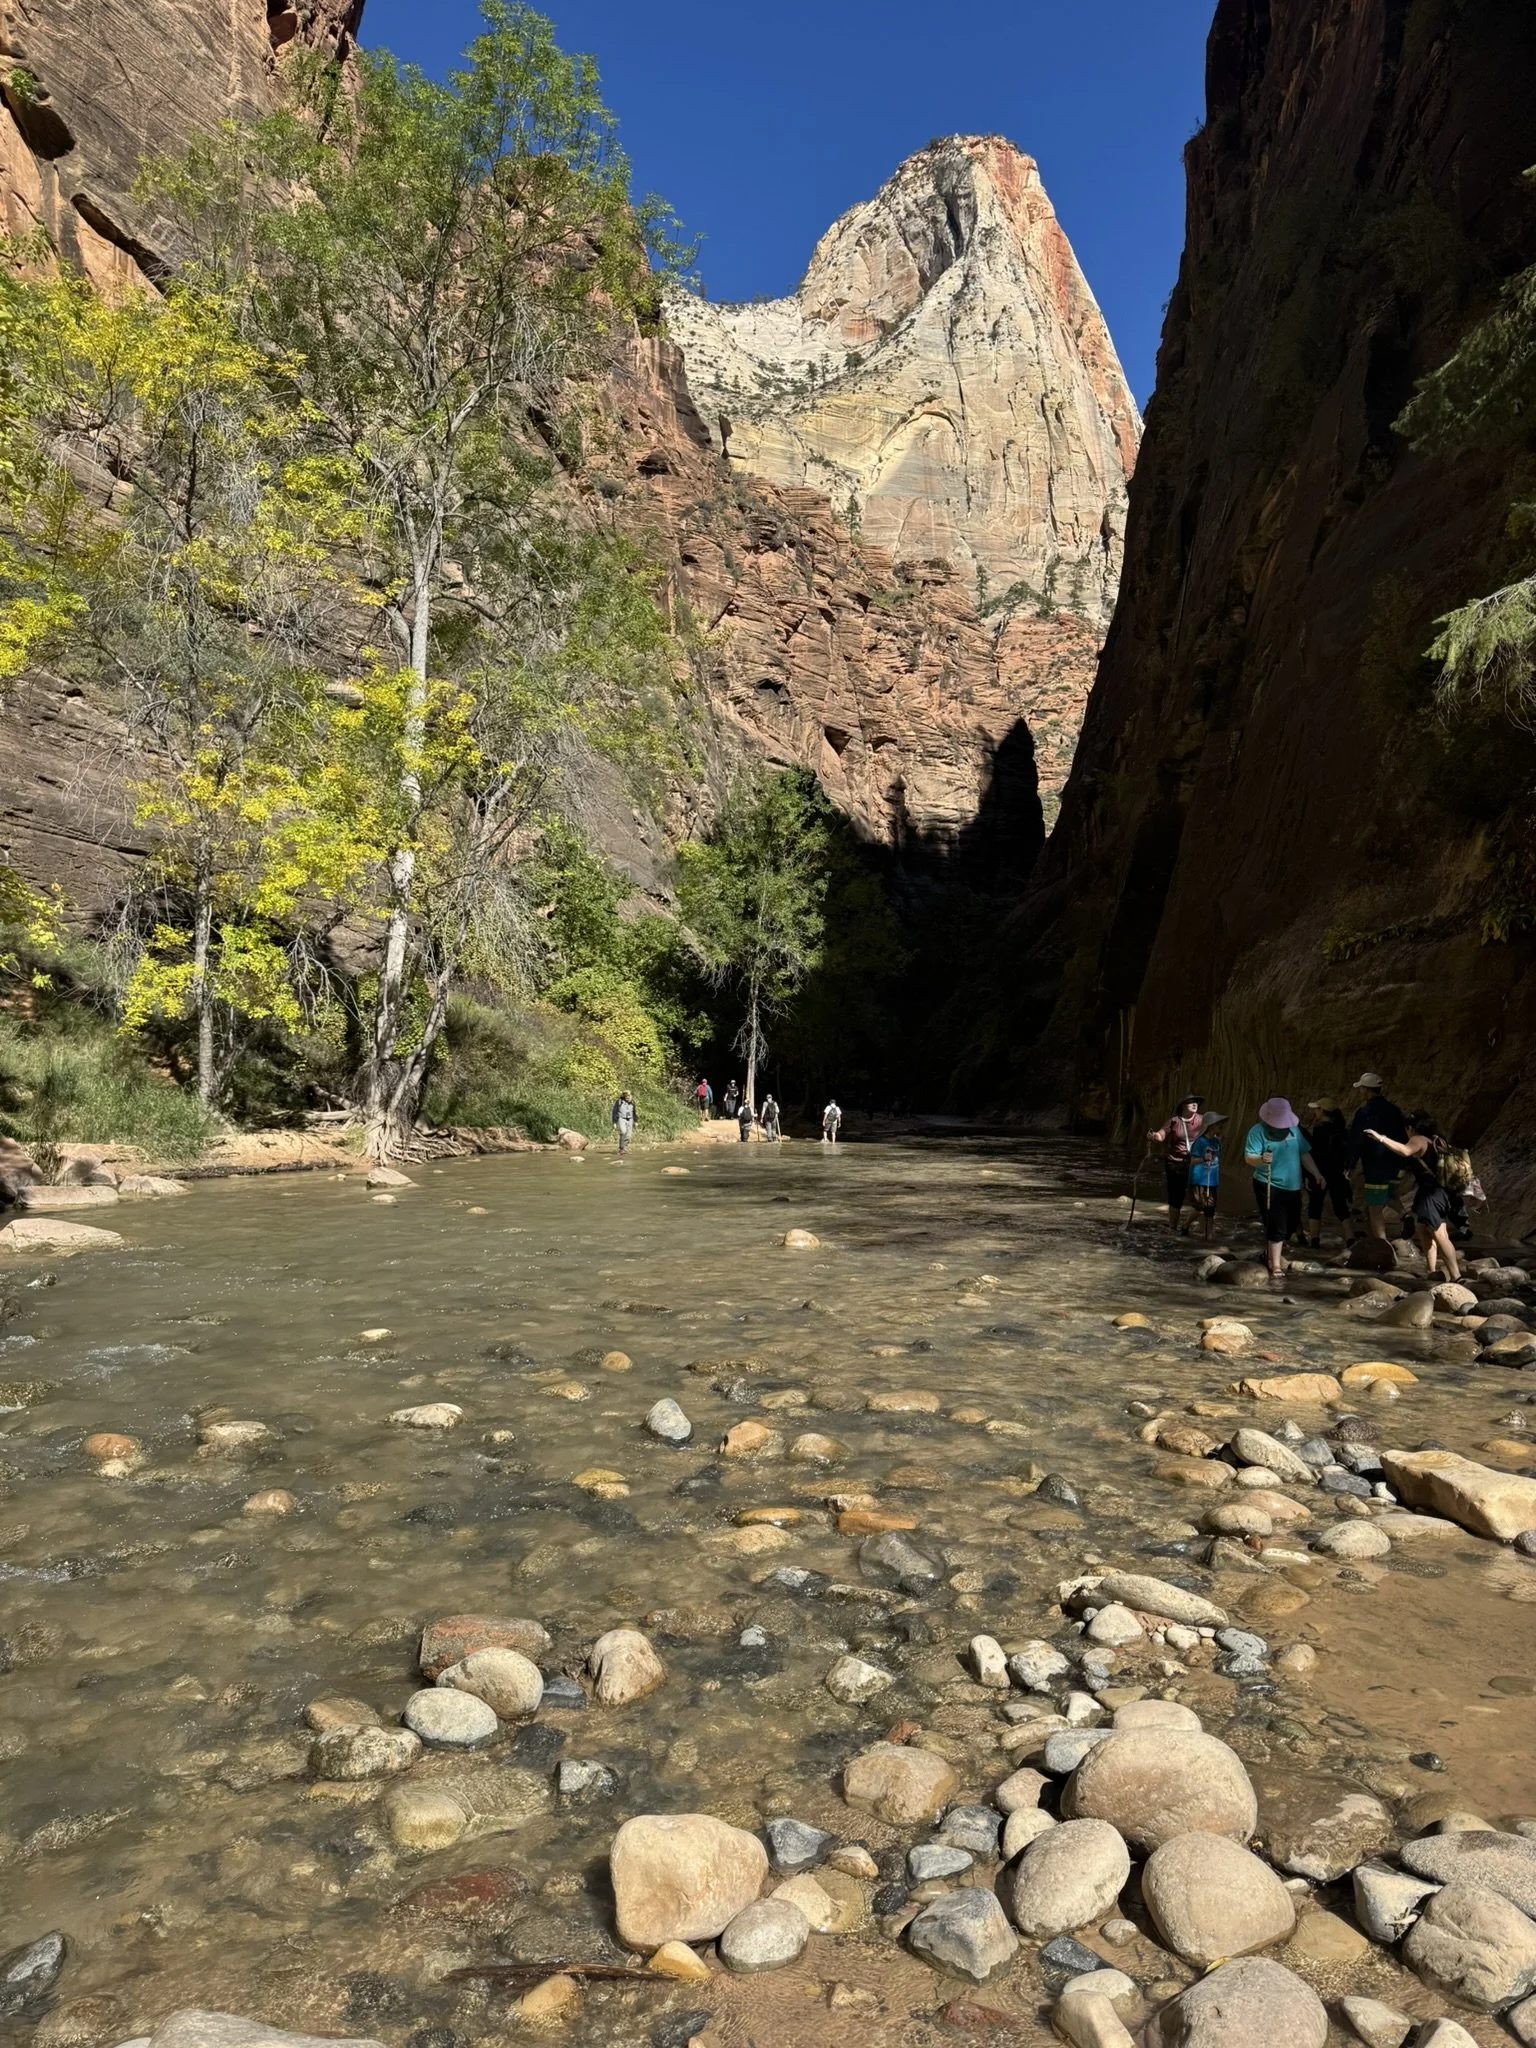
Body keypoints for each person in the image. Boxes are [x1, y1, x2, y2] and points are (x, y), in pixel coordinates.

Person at [1363, 1110, 1464, 1279]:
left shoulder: (1418, 1139)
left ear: (1410, 1128)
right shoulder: (1438, 1139)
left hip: (1431, 1194)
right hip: (1442, 1192)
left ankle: (1456, 1276)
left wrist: (1381, 1138)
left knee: (1440, 1235)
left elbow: (1405, 1151)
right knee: (1423, 1229)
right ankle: (1431, 1271)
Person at [1244, 1096, 1325, 1279]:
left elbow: (1304, 1153)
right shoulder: (1257, 1132)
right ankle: (1275, 1266)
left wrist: (1316, 1173)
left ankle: (1269, 1253)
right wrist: (1261, 1159)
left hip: (1293, 1185)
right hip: (1268, 1183)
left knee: (1292, 1222)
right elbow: (1249, 1158)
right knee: (1277, 1223)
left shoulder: (1294, 1130)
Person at [1348, 1072, 1408, 1240]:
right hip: (1396, 1161)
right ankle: (1405, 1215)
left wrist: (1349, 1164)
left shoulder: (1365, 1112)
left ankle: (1382, 1243)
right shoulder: (1394, 1110)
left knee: (1374, 1206)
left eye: (1361, 1088)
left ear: (1366, 1090)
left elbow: (1357, 1140)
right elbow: (1404, 1135)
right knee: (1390, 1195)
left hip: (1375, 1164)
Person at [1303, 1097, 1354, 1249]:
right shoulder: (1342, 1130)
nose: (1315, 1112)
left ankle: (1314, 1241)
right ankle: (1351, 1239)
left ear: (1322, 1111)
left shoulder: (1319, 1129)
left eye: (1316, 1109)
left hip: (1320, 1172)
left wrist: (1310, 1175)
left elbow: (1316, 1153)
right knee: (1341, 1206)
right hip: (1337, 1173)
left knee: (1315, 1206)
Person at [1148, 1094, 1204, 1233]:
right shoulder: (1174, 1121)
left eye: (1196, 1102)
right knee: (1175, 1198)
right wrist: (1154, 1135)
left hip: (1196, 1163)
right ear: (1183, 1106)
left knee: (1201, 1200)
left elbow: (1211, 1135)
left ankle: (1186, 1225)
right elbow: (1161, 1135)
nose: (1194, 1104)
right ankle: (1173, 1229)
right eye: (1190, 1102)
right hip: (1175, 1164)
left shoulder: (1202, 1120)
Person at [1185, 1111, 1226, 1241]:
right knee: (1199, 1208)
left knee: (1210, 1209)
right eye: (1218, 1124)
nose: (1221, 1126)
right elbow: (1192, 1160)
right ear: (1210, 1125)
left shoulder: (1216, 1142)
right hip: (1199, 1180)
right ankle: (1185, 1225)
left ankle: (1209, 1235)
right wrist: (1203, 1159)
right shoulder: (1200, 1142)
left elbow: (1217, 1158)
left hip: (1212, 1180)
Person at [611, 1089, 636, 1156]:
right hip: (621, 1118)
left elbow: (634, 1112)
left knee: (629, 1135)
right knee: (623, 1132)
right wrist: (614, 1122)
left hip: (630, 1119)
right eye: (627, 1096)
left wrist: (636, 1121)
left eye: (629, 1095)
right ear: (624, 1096)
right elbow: (614, 1111)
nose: (628, 1097)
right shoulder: (619, 1102)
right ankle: (621, 1148)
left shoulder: (632, 1102)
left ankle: (625, 1148)